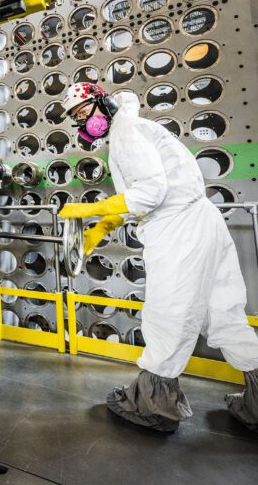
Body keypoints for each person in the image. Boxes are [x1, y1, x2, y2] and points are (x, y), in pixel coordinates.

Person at [59, 82, 258, 432]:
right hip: (203, 221)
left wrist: (87, 208)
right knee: (223, 311)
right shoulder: (133, 128)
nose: (82, 123)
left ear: (101, 102)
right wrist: (103, 226)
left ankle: (154, 407)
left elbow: (151, 193)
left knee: (168, 313)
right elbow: (141, 193)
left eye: (82, 112)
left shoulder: (126, 133)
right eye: (76, 118)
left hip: (178, 228)